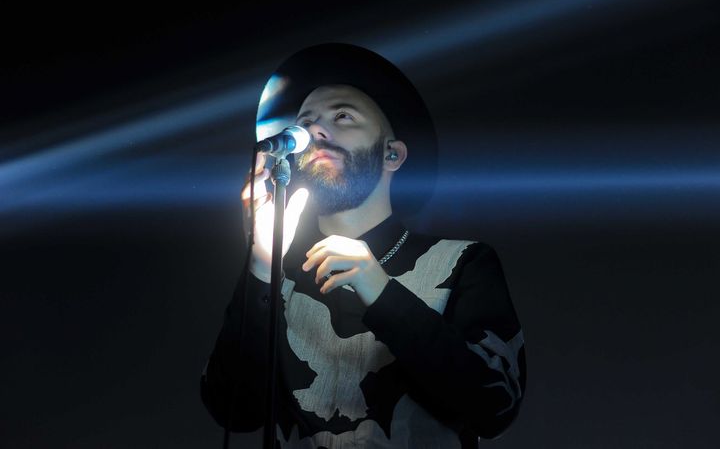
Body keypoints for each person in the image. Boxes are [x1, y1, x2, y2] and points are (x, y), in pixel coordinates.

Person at [201, 43, 526, 448]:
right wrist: (262, 267)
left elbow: (495, 406)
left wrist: (383, 294)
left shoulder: (462, 261)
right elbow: (233, 410)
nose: (315, 130)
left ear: (392, 154)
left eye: (342, 116)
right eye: (305, 121)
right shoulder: (275, 274)